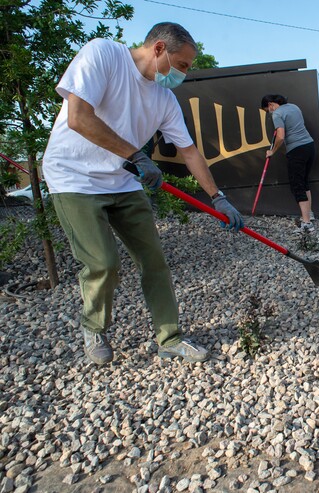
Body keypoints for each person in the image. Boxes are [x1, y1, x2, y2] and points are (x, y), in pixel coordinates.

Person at [42, 22, 245, 365]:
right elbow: (78, 117)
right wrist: (135, 155)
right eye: (182, 65)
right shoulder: (103, 54)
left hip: (122, 181)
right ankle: (94, 327)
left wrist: (218, 197)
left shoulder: (164, 99)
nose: (183, 74)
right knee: (103, 264)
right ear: (160, 49)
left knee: (154, 262)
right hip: (73, 177)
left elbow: (190, 151)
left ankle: (170, 338)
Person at [260, 94, 316, 233]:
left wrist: (272, 151)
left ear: (271, 104)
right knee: (304, 183)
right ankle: (309, 215)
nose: (270, 113)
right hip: (309, 146)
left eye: (268, 110)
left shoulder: (277, 113)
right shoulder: (294, 107)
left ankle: (307, 224)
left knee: (297, 186)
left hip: (296, 150)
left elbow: (280, 136)